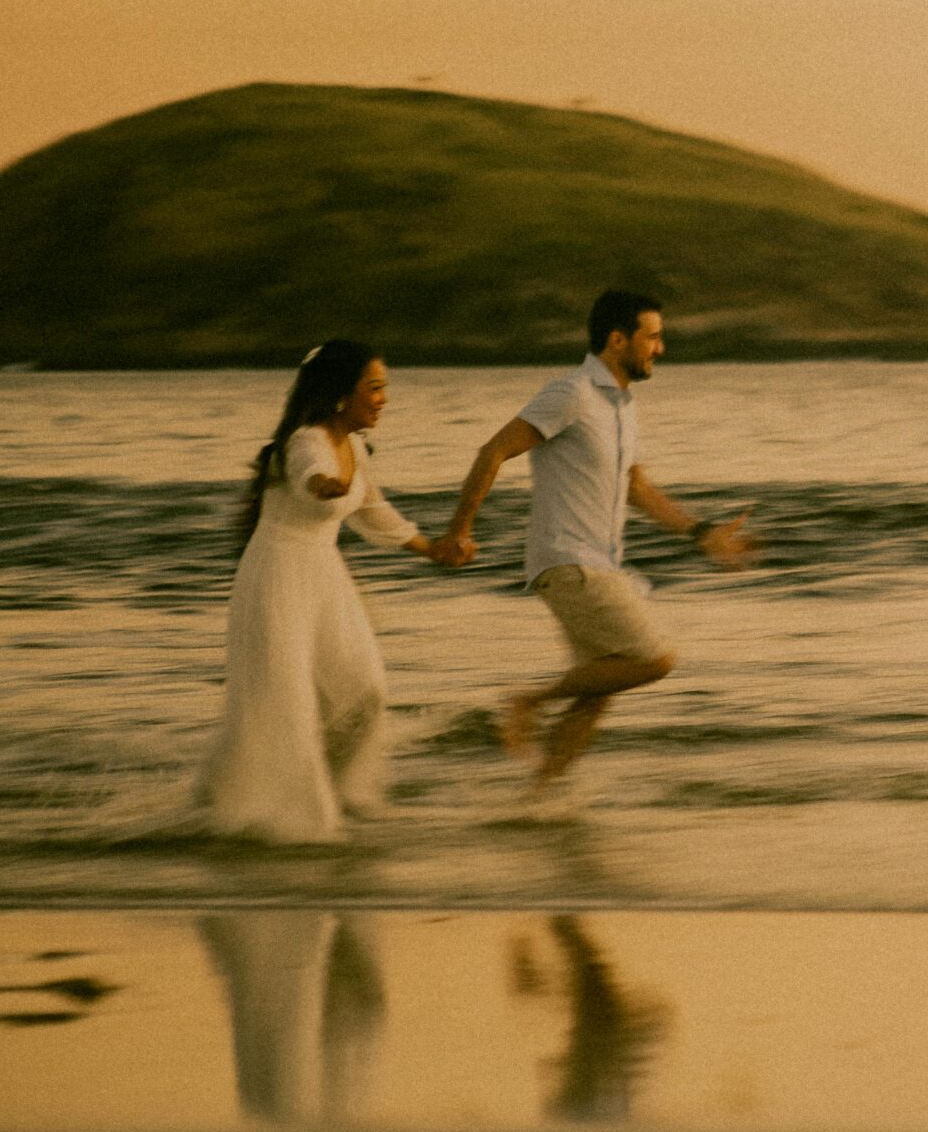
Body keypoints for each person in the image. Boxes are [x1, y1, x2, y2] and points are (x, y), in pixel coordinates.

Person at [440, 289, 751, 797]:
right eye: (653, 337)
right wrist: (459, 530)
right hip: (569, 561)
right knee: (654, 659)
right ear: (617, 338)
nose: (661, 348)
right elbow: (494, 450)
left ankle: (538, 801)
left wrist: (701, 533)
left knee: (600, 686)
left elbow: (637, 489)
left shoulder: (622, 407)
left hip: (601, 565)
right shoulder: (573, 393)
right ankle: (528, 702)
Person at [199, 340, 467, 842]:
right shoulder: (308, 441)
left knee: (365, 693)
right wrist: (322, 485)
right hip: (277, 578)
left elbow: (372, 510)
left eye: (385, 387)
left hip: (324, 579)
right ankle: (303, 824)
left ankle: (338, 793)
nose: (384, 398)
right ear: (343, 394)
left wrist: (431, 549)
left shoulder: (356, 447)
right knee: (286, 704)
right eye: (376, 387)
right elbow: (307, 476)